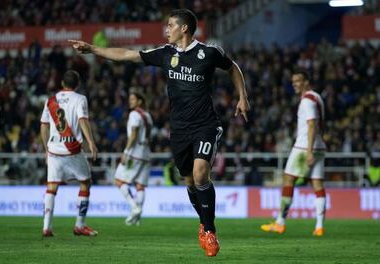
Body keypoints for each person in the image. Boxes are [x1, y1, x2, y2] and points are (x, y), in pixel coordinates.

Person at [69, 8, 249, 257]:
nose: (166, 30)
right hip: (179, 128)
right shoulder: (166, 54)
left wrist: (243, 97)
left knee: (200, 174)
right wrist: (93, 49)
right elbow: (127, 55)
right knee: (188, 180)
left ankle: (209, 231)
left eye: (170, 25)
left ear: (183, 28)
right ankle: (203, 222)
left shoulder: (208, 52)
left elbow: (233, 68)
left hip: (206, 124)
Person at [260, 70, 327, 237]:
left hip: (305, 147)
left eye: (298, 81)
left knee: (288, 179)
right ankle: (319, 227)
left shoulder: (306, 102)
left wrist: (309, 151)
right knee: (317, 184)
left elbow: (311, 125)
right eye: (293, 82)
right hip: (319, 146)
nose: (295, 84)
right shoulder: (317, 97)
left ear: (306, 81)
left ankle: (280, 223)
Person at [40, 70, 98, 237]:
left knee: (51, 187)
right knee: (85, 182)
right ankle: (79, 225)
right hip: (72, 150)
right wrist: (91, 142)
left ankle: (47, 227)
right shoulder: (80, 99)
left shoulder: (50, 101)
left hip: (53, 150)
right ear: (77, 84)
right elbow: (82, 120)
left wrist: (46, 148)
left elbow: (43, 126)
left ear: (62, 84)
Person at [114, 89, 153, 226]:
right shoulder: (148, 115)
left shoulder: (134, 114)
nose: (130, 102)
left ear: (140, 101)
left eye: (133, 100)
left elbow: (134, 133)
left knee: (119, 181)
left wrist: (126, 151)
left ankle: (134, 207)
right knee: (140, 186)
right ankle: (138, 216)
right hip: (146, 153)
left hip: (134, 154)